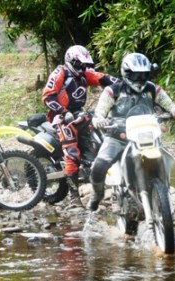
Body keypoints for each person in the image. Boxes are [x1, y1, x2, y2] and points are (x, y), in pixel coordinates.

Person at [87, 52, 175, 211]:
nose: (140, 80)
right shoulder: (113, 91)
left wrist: (174, 110)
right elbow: (99, 112)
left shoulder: (152, 88)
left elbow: (168, 102)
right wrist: (99, 120)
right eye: (135, 76)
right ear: (126, 74)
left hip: (147, 136)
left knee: (164, 159)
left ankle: (162, 190)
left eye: (143, 75)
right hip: (118, 136)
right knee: (99, 165)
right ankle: (97, 194)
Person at [42, 45, 118, 207]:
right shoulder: (60, 73)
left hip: (79, 114)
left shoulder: (84, 75)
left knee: (104, 136)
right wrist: (63, 111)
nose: (83, 68)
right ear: (71, 61)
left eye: (85, 65)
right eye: (80, 64)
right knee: (72, 153)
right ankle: (74, 198)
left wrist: (126, 85)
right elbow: (48, 97)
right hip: (61, 117)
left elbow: (104, 78)